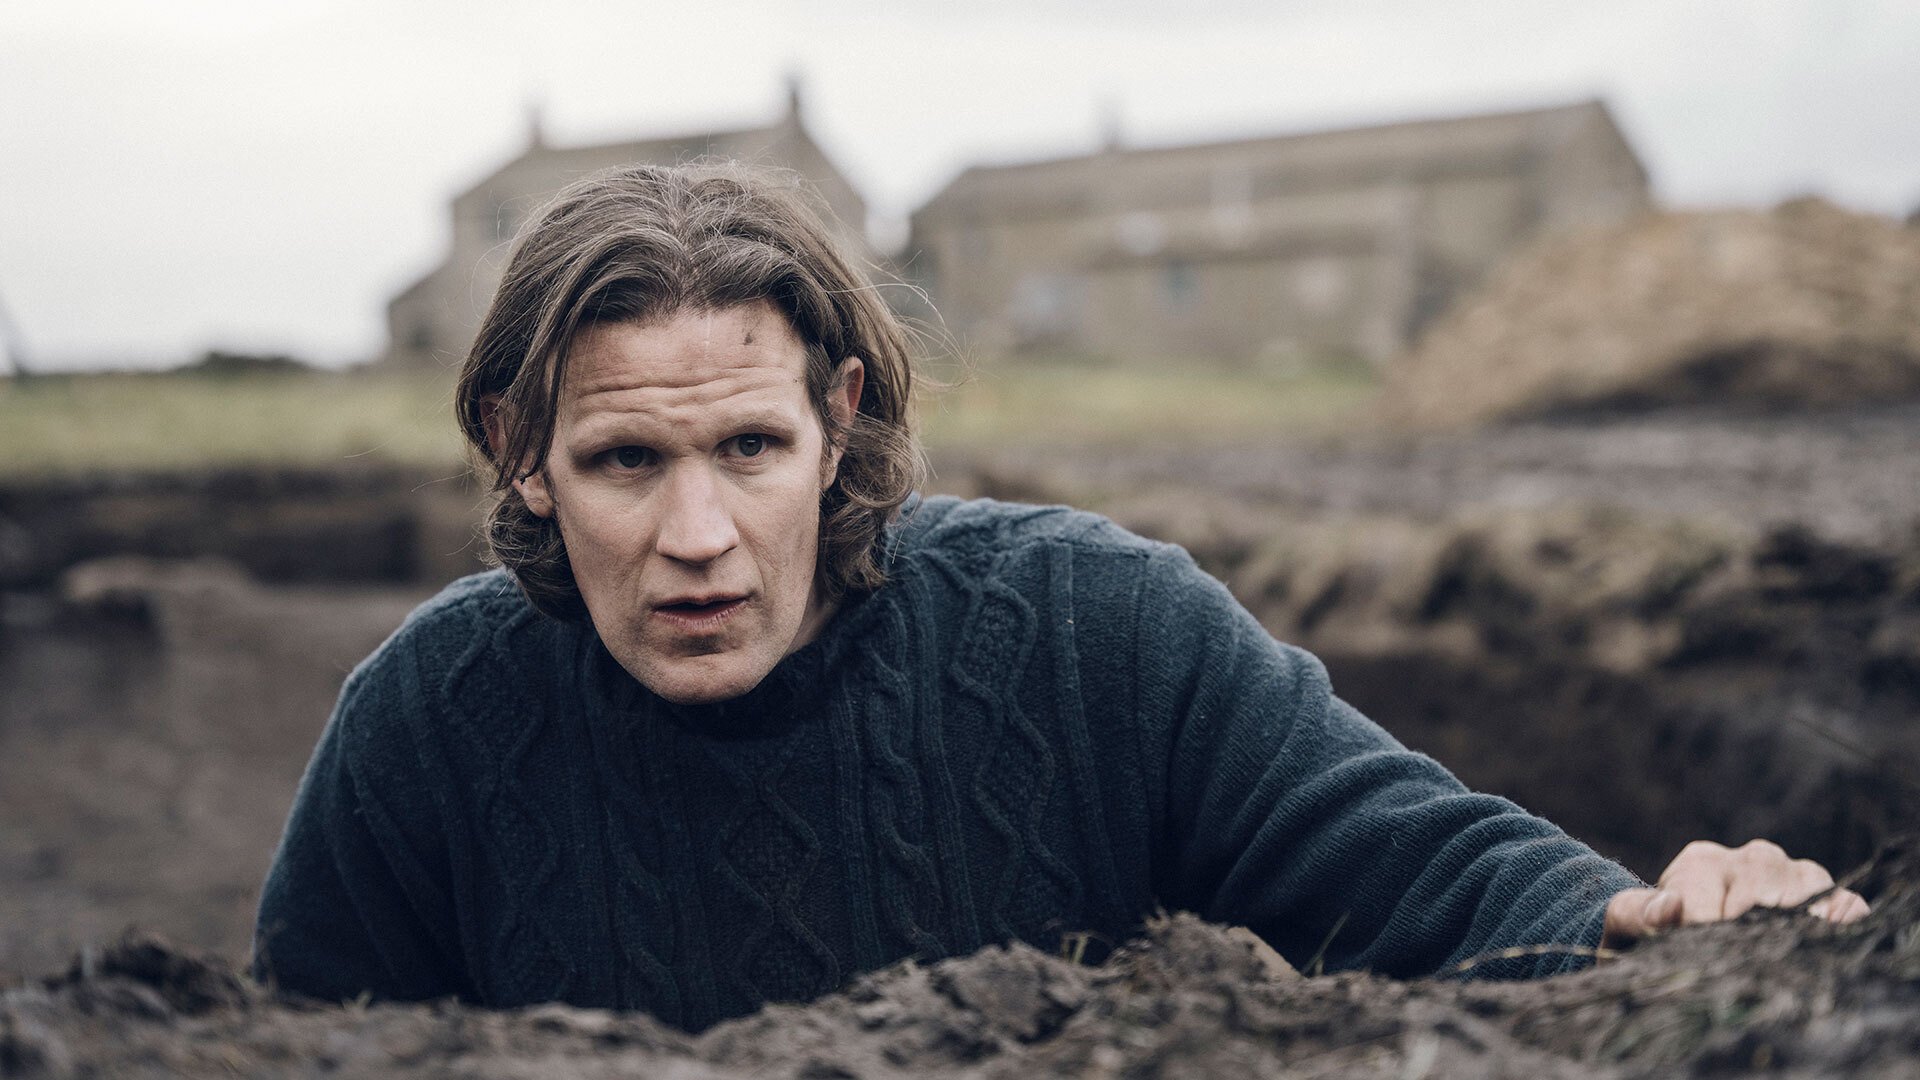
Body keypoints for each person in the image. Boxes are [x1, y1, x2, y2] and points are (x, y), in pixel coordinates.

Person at [253, 162, 1867, 1032]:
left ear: (844, 425)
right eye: (623, 463)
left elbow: (1403, 858)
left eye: (750, 445)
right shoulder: (430, 721)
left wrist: (1641, 918)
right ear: (518, 454)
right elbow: (281, 1038)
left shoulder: (1084, 630)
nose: (698, 534)